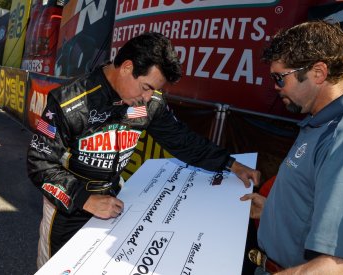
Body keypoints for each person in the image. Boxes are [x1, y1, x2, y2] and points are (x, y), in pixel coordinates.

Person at [27, 32, 261, 268]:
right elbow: (39, 163)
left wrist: (229, 163)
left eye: (153, 90)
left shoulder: (149, 103)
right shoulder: (69, 103)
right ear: (127, 67)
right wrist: (85, 199)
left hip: (115, 204)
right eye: (146, 87)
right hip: (69, 210)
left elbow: (183, 140)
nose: (148, 97)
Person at [241, 21, 343, 274]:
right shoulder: (322, 120)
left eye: (279, 77)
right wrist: (274, 211)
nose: (275, 86)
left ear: (318, 72)